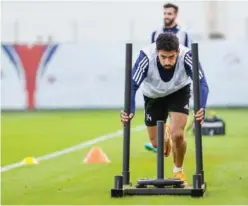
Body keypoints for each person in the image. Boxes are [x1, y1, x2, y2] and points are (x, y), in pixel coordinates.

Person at [120, 33, 209, 185]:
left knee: (178, 135)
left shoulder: (187, 55)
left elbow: (202, 83)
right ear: (156, 51)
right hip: (153, 95)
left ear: (178, 52)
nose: (167, 61)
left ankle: (178, 171)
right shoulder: (146, 57)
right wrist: (129, 109)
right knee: (157, 145)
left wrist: (201, 107)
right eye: (163, 57)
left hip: (178, 91)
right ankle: (165, 133)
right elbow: (132, 85)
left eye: (171, 57)